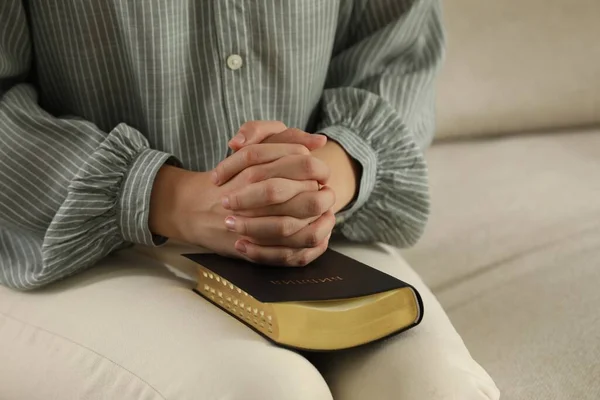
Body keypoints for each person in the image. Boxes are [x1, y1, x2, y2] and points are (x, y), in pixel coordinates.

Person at [0, 0, 499, 398]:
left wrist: (320, 180)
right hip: (60, 242)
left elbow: (398, 49)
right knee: (267, 391)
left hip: (319, 230)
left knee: (436, 391)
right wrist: (167, 196)